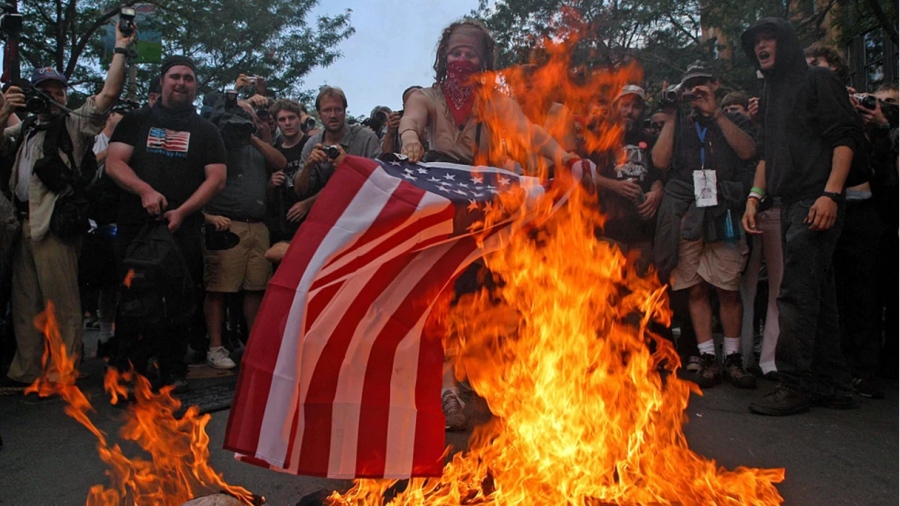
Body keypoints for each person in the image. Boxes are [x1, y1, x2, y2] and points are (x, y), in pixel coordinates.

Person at [396, 19, 580, 431]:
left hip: (482, 215)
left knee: (480, 300)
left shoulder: (494, 101)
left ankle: (490, 384)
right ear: (444, 56)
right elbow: (411, 119)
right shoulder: (427, 96)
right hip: (437, 213)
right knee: (438, 301)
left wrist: (564, 157)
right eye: (455, 52)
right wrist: (410, 139)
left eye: (470, 54)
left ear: (483, 61)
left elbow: (528, 133)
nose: (462, 60)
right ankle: (446, 390)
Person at [740, 18, 867, 415]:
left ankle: (794, 383)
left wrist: (831, 194)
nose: (761, 46)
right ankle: (832, 384)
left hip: (816, 198)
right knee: (817, 293)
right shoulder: (770, 92)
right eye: (756, 42)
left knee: (795, 293)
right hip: (789, 201)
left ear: (787, 44)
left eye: (769, 39)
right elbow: (766, 153)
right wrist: (754, 198)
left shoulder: (818, 80)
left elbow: (845, 138)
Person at [0, 22, 135, 391]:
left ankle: (63, 373)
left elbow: (108, 96)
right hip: (21, 226)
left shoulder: (74, 125)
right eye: (44, 90)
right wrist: (4, 110)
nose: (51, 96)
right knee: (25, 305)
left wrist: (120, 48)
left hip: (55, 226)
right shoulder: (25, 128)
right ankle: (27, 372)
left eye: (57, 90)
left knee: (61, 305)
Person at [105, 55, 227, 391]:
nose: (181, 83)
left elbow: (217, 178)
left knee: (180, 301)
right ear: (162, 81)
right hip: (136, 228)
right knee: (133, 299)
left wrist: (183, 211)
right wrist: (144, 190)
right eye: (175, 76)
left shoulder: (207, 131)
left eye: (188, 78)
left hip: (182, 229)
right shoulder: (135, 120)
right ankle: (128, 371)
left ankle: (173, 370)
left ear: (195, 86)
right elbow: (114, 163)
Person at [651, 60, 758, 390]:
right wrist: (672, 115)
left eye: (701, 82)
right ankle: (708, 357)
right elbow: (660, 161)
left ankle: (733, 358)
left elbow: (748, 151)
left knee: (727, 287)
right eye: (690, 85)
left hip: (723, 211)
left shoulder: (733, 118)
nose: (696, 89)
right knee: (695, 287)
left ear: (715, 84)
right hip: (687, 214)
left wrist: (717, 114)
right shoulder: (681, 123)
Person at [203, 100, 286, 369]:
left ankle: (255, 345)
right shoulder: (218, 143)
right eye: (238, 115)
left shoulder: (256, 144)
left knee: (256, 288)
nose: (240, 120)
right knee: (219, 288)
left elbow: (280, 162)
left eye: (246, 116)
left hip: (258, 225)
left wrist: (251, 135)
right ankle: (216, 347)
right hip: (227, 224)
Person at [590, 85, 663, 275]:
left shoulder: (651, 141)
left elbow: (658, 175)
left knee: (641, 287)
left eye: (636, 107)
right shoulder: (599, 139)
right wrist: (615, 186)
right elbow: (585, 173)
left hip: (642, 234)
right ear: (615, 107)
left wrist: (656, 192)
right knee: (606, 288)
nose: (630, 111)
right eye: (625, 105)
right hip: (608, 231)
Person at [294, 86, 381, 202]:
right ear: (319, 114)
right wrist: (308, 166)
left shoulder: (366, 139)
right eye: (327, 110)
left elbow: (381, 183)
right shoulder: (312, 144)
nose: (333, 115)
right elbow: (300, 191)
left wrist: (349, 166)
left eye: (338, 110)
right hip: (326, 207)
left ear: (345, 111)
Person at [264, 98, 313, 264]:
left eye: (291, 118)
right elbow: (269, 200)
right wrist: (270, 185)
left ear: (299, 118)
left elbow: (330, 184)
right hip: (284, 226)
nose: (287, 123)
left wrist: (307, 204)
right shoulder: (275, 154)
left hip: (311, 221)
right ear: (276, 123)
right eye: (282, 119)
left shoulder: (312, 145)